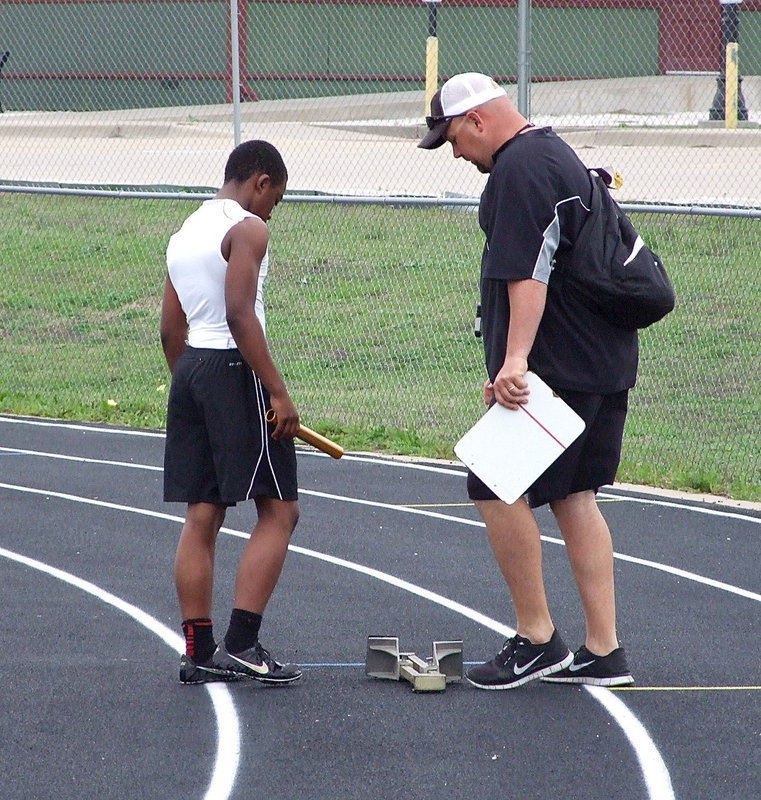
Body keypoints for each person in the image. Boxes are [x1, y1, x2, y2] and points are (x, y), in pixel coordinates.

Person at [419, 73, 635, 689]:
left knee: (491, 480)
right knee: (575, 494)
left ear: (478, 120)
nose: (456, 154)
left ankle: (537, 638)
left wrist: (514, 362)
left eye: (453, 137)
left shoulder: (520, 167)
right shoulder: (554, 152)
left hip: (561, 364)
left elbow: (530, 270)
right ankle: (604, 650)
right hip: (603, 358)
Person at [160, 139, 302, 686]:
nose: (271, 213)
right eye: (276, 199)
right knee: (280, 511)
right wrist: (277, 392)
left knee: (203, 514)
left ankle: (198, 652)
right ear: (261, 182)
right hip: (235, 371)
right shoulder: (246, 228)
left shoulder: (183, 232)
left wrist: (192, 386)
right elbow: (240, 314)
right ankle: (242, 644)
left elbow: (170, 329)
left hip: (193, 369)